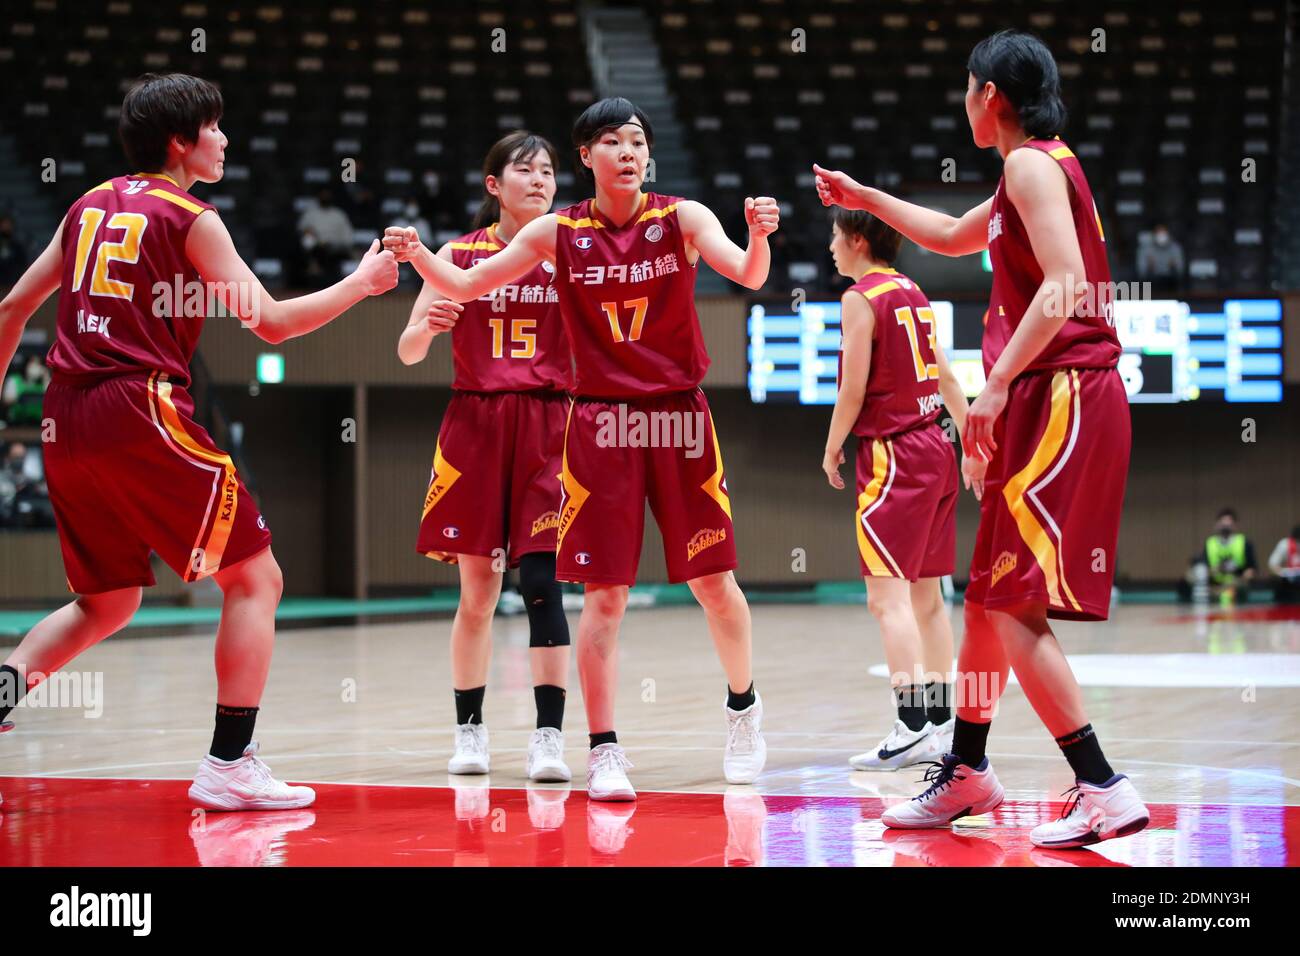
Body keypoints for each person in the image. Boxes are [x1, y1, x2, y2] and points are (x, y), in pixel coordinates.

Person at [0, 72, 397, 811]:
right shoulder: (190, 216)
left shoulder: (85, 205)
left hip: (66, 416)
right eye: (214, 127)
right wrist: (363, 284)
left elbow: (14, 306)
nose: (224, 139)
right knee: (256, 577)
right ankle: (229, 762)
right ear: (181, 142)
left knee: (105, 603)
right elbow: (272, 324)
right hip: (137, 407)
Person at [384, 97, 779, 800]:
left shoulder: (681, 218)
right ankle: (602, 750)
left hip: (679, 418)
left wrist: (757, 236)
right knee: (604, 598)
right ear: (587, 160)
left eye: (637, 141)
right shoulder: (556, 233)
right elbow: (470, 283)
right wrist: (417, 256)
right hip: (598, 424)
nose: (627, 151)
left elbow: (748, 276)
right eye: (611, 142)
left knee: (714, 584)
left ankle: (744, 711)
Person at [815, 29, 1149, 848]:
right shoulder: (1028, 172)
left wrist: (993, 391)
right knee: (983, 609)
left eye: (966, 89)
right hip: (1049, 393)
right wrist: (866, 195)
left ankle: (1102, 783)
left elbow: (1066, 285)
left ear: (989, 95)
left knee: (1007, 603)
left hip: (1059, 393)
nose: (963, 102)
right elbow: (949, 235)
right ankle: (967, 768)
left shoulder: (1032, 164)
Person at [397, 131, 575, 782]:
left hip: (550, 425)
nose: (540, 180)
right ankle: (469, 731)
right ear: (494, 186)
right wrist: (427, 326)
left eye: (549, 171)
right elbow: (408, 350)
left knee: (541, 584)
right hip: (476, 424)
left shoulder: (570, 250)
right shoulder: (457, 255)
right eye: (525, 171)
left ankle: (549, 739)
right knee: (477, 593)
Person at [820, 208, 986, 771]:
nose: (831, 248)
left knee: (885, 598)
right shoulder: (912, 291)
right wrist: (969, 441)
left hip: (894, 455)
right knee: (929, 599)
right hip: (936, 448)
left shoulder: (860, 298)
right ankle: (941, 725)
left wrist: (832, 445)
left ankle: (911, 726)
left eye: (836, 237)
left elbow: (853, 386)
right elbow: (945, 375)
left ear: (859, 240)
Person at [1183, 507, 1257, 607]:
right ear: (1217, 524)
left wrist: (1242, 579)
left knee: (1234, 589)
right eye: (1223, 523)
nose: (1226, 526)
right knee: (1194, 573)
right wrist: (1215, 570)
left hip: (1236, 584)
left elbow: (1252, 570)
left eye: (1229, 523)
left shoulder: (1244, 543)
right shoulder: (1210, 543)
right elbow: (1205, 568)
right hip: (1215, 584)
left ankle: (1225, 594)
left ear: (1235, 525)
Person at [296, 188, 355, 285]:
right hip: (315, 247)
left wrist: (334, 244)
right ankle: (313, 268)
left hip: (335, 248)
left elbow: (347, 238)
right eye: (323, 195)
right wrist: (311, 234)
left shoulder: (339, 214)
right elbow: (302, 229)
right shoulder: (311, 213)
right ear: (318, 197)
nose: (325, 197)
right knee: (307, 242)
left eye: (327, 195)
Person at [1135, 223, 1184, 293]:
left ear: (1168, 234)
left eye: (1163, 233)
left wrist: (1174, 267)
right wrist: (1149, 267)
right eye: (1158, 233)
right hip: (1150, 287)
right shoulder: (1144, 249)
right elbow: (1140, 272)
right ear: (1153, 234)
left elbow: (1181, 271)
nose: (1161, 235)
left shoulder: (1176, 248)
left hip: (1173, 286)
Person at [1266, 524, 1300, 604]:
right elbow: (1272, 565)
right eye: (1298, 542)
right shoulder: (1284, 544)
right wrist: (1283, 573)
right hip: (1288, 586)